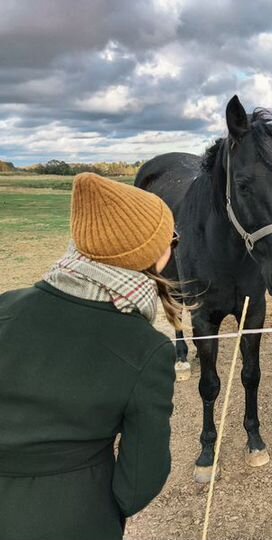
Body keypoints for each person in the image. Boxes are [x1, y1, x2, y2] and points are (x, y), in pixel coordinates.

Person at [0, 172, 183, 540]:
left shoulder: (5, 307)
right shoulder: (147, 350)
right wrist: (103, 506)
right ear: (148, 253)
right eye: (171, 241)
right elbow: (141, 481)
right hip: (77, 518)